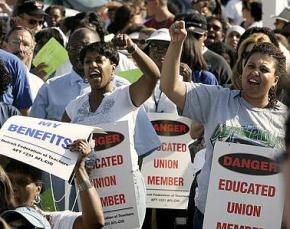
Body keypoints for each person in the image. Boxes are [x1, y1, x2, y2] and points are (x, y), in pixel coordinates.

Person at [161, 20, 287, 228]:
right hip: (210, 215)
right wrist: (176, 45)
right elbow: (170, 86)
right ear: (242, 70)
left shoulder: (284, 118)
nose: (255, 72)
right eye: (250, 66)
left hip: (260, 219)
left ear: (275, 79)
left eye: (264, 69)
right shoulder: (216, 99)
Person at [62, 36, 160, 227]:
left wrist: (132, 48)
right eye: (88, 62)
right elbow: (60, 140)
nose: (92, 65)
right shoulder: (75, 106)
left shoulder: (126, 96)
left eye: (99, 60)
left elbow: (153, 76)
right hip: (89, 189)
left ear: (113, 67)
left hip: (124, 189)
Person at [5, 139, 105, 229]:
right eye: (8, 182)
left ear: (38, 190)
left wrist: (79, 168)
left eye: (21, 182)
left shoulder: (54, 221)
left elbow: (94, 223)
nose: (13, 188)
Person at [3, 26, 43, 101]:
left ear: (31, 50)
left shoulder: (38, 84)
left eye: (26, 44)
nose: (20, 48)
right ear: (4, 45)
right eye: (15, 42)